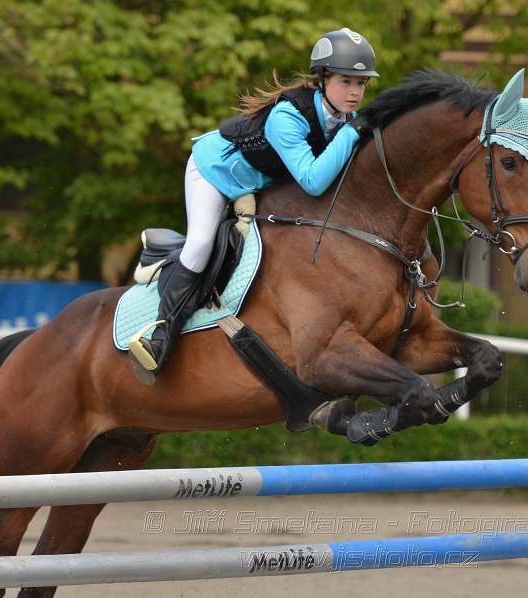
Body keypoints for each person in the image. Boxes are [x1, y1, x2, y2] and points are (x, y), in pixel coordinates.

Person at [129, 27, 379, 385]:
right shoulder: (287, 118)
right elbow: (312, 180)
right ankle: (159, 335)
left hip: (258, 186)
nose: (355, 92)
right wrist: (353, 134)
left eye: (362, 84)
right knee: (200, 242)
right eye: (346, 81)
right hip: (214, 173)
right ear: (322, 79)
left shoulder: (342, 118)